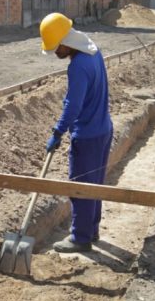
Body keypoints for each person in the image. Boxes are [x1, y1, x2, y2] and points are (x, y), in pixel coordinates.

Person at [39, 13, 114, 253]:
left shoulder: (78, 66)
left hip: (88, 135)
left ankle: (80, 238)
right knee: (95, 185)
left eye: (55, 48)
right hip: (103, 129)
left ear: (64, 42)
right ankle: (91, 230)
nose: (55, 53)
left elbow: (73, 105)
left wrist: (58, 131)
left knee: (80, 187)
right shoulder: (93, 51)